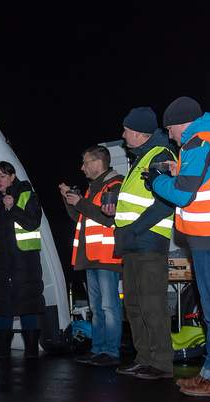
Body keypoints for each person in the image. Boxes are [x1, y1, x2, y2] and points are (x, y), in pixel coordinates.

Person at [151, 97, 210, 397]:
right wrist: (177, 168)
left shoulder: (197, 144)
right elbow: (209, 179)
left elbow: (182, 195)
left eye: (170, 129)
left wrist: (156, 180)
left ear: (180, 124)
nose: (170, 136)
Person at [110, 107, 176, 380]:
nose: (123, 134)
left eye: (126, 130)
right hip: (133, 245)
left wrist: (135, 230)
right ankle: (144, 358)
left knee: (152, 304)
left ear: (138, 132)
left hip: (148, 243)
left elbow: (165, 202)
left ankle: (161, 363)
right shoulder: (140, 158)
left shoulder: (160, 156)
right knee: (134, 305)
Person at [60, 145, 124, 366]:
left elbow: (108, 218)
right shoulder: (93, 189)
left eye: (86, 162)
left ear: (98, 163)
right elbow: (81, 217)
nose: (82, 167)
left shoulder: (115, 184)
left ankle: (112, 352)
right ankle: (98, 349)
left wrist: (80, 202)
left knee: (109, 306)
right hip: (91, 256)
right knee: (96, 308)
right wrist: (71, 201)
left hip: (107, 256)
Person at [0, 161, 44, 360]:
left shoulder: (26, 194)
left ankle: (31, 350)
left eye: (3, 176)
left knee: (27, 303)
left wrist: (13, 207)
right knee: (1, 304)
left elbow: (33, 222)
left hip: (24, 262)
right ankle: (2, 349)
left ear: (13, 177)